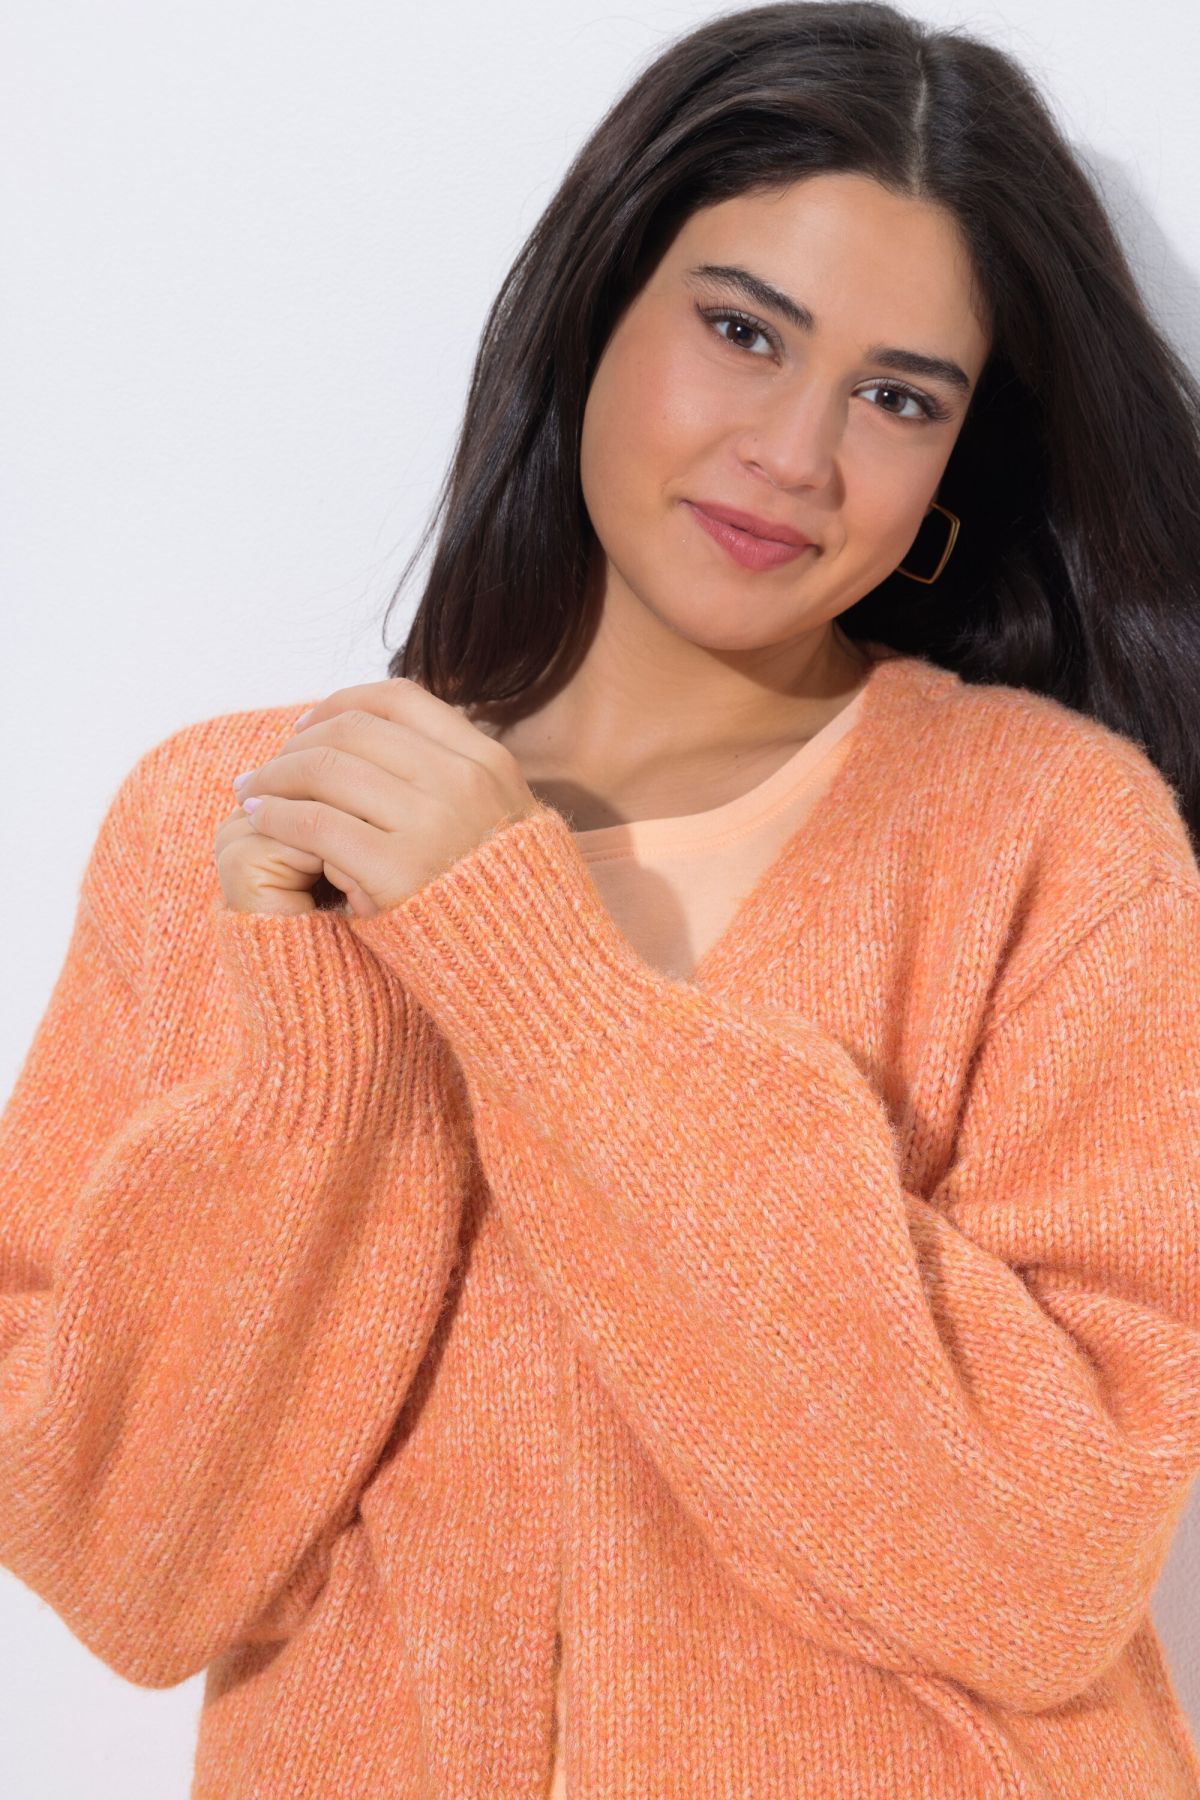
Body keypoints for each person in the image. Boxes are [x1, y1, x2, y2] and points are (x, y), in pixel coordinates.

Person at [3, 3, 1200, 1795]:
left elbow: (1041, 1571)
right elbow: (127, 1567)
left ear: (957, 461)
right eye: (742, 330)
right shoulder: (237, 825)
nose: (795, 453)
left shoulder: (1054, 843)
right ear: (595, 312)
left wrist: (531, 976)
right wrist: (317, 1056)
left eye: (897, 397)